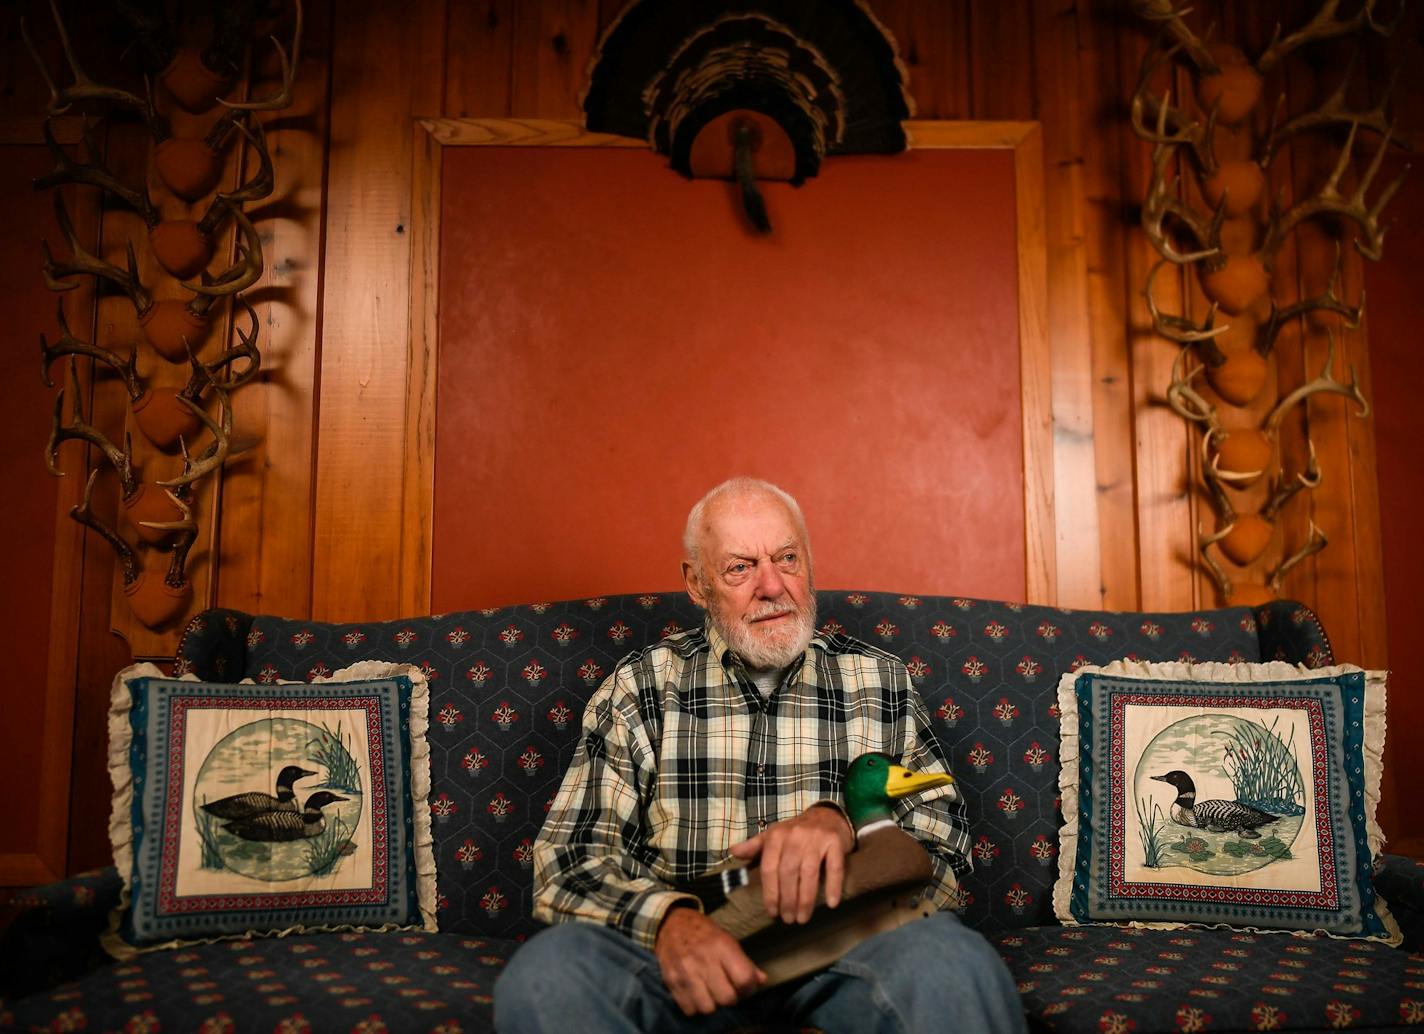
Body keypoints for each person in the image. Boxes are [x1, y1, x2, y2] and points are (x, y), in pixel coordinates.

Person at [493, 478, 1025, 1033]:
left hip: (849, 954)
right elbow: (568, 861)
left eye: (787, 558)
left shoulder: (880, 680)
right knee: (547, 975)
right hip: (684, 961)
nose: (773, 586)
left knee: (952, 962)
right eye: (740, 567)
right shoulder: (641, 686)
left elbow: (945, 852)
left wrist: (847, 825)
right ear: (697, 584)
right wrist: (670, 924)